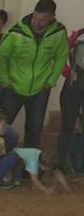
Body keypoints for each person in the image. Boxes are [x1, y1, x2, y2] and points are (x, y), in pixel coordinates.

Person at [0, 0, 68, 150]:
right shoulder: (17, 31)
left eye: (42, 19)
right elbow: (1, 57)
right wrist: (4, 80)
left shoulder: (58, 32)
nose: (37, 22)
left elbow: (61, 56)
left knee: (34, 130)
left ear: (52, 17)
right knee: (1, 128)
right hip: (13, 88)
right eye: (36, 18)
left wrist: (51, 80)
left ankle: (29, 168)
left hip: (40, 90)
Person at [57, 26, 84, 174]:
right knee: (67, 128)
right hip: (72, 89)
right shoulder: (78, 37)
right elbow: (61, 50)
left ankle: (78, 165)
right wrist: (65, 68)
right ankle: (63, 165)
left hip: (73, 89)